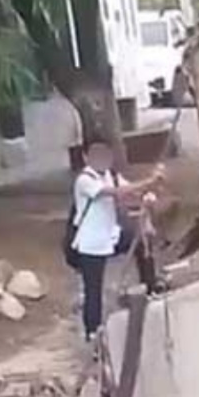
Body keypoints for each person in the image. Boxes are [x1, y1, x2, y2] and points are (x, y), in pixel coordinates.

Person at [68, 137, 167, 343]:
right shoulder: (85, 180)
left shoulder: (112, 175)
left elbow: (130, 193)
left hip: (110, 236)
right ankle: (93, 333)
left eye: (104, 154)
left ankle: (150, 286)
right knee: (93, 290)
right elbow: (113, 193)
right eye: (95, 154)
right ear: (86, 157)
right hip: (91, 244)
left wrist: (148, 192)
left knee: (140, 239)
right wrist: (149, 181)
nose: (101, 159)